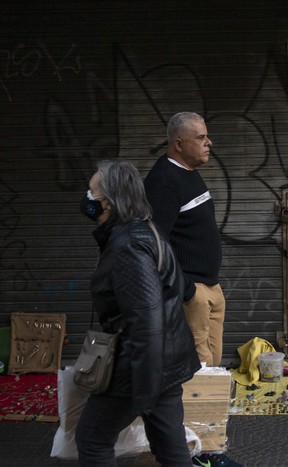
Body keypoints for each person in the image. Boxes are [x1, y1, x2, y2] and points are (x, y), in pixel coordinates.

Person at [75, 160, 200, 466]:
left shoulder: (129, 245)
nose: (87, 199)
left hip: (141, 368)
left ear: (109, 201)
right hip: (163, 365)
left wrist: (144, 392)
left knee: (92, 440)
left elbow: (146, 320)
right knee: (171, 450)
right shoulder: (144, 233)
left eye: (92, 192)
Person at [144, 112, 225, 368]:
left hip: (209, 287)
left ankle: (209, 408)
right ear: (179, 144)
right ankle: (191, 410)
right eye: (200, 137)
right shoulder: (164, 182)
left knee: (212, 366)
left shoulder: (188, 172)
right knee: (197, 372)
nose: (208, 142)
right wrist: (188, 291)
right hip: (192, 293)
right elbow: (153, 244)